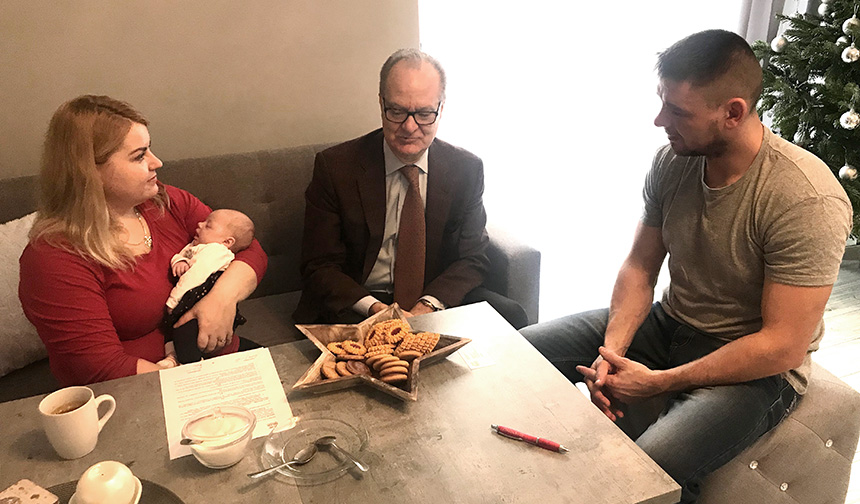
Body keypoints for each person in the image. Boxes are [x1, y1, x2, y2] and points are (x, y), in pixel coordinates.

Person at [520, 30, 852, 503]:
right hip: (669, 323)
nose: (659, 120)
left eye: (677, 111)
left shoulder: (805, 199)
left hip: (757, 371)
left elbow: (783, 345)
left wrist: (659, 382)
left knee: (647, 469)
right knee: (515, 355)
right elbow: (639, 267)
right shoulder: (672, 162)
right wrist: (612, 352)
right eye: (662, 102)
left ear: (733, 112)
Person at [19, 95, 267, 387]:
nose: (156, 162)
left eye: (149, 149)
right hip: (141, 390)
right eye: (139, 156)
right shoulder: (53, 257)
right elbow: (100, 367)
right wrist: (196, 387)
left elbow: (247, 247)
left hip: (215, 358)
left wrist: (221, 298)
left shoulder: (165, 201)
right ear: (89, 171)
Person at [294, 48, 528, 328]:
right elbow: (320, 265)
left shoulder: (466, 169)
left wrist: (426, 307)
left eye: (425, 113)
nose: (409, 126)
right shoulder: (336, 168)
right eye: (397, 111)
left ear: (441, 108)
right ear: (381, 104)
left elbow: (473, 258)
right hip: (360, 302)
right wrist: (379, 311)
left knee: (511, 314)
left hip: (433, 297)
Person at [158, 209, 256, 367]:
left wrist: (174, 301)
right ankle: (174, 358)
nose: (199, 224)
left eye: (208, 225)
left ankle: (192, 363)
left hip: (197, 296)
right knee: (174, 331)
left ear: (227, 242)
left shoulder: (216, 251)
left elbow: (196, 276)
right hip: (192, 298)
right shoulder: (196, 246)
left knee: (186, 332)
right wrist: (179, 261)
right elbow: (181, 255)